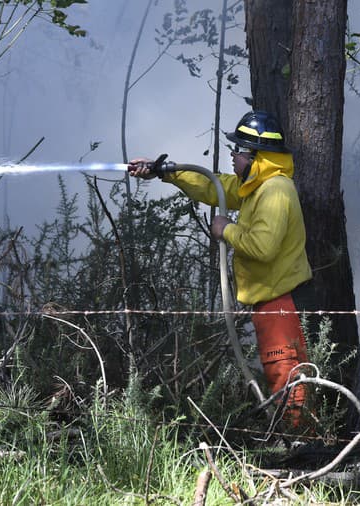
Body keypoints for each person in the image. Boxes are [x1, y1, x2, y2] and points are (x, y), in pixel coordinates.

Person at [127, 111, 314, 428]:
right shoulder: (257, 186)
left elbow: (263, 247)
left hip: (281, 301)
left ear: (257, 156)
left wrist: (226, 229)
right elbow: (213, 186)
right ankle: (297, 437)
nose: (233, 155)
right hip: (272, 300)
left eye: (239, 150)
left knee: (287, 371)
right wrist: (164, 172)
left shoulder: (275, 190)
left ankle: (304, 442)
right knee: (281, 372)